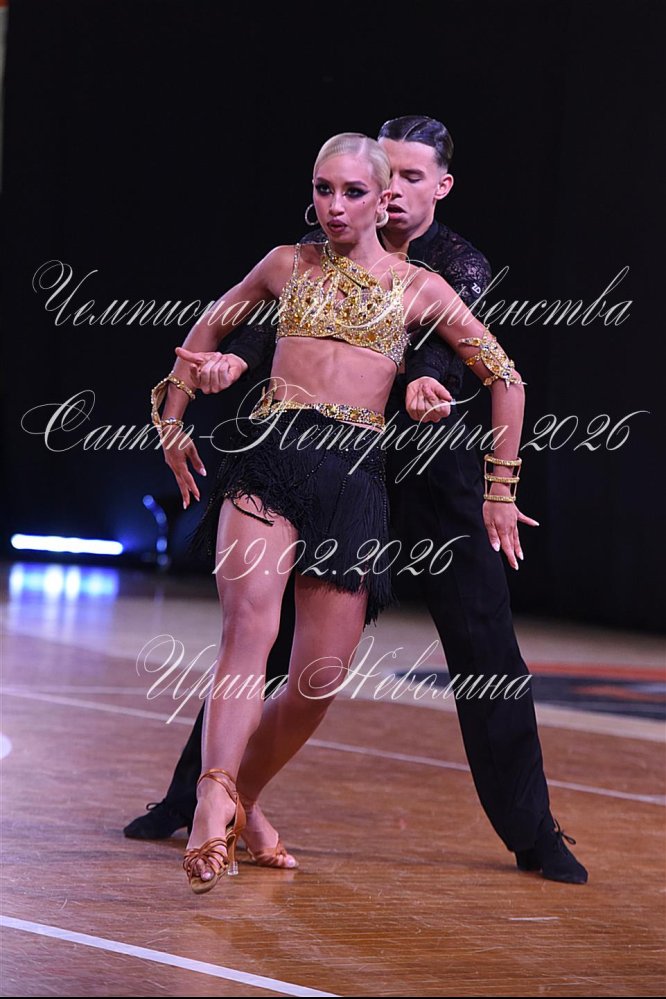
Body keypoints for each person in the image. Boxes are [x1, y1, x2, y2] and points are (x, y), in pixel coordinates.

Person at [132, 118, 587, 886]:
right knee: (251, 633)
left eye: (380, 186)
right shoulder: (294, 258)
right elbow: (235, 327)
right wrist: (185, 406)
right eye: (326, 189)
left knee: (342, 671)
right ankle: (207, 799)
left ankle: (528, 830)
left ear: (418, 191)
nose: (344, 203)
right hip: (276, 460)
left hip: (388, 478)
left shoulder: (444, 272)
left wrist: (499, 488)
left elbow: (493, 372)